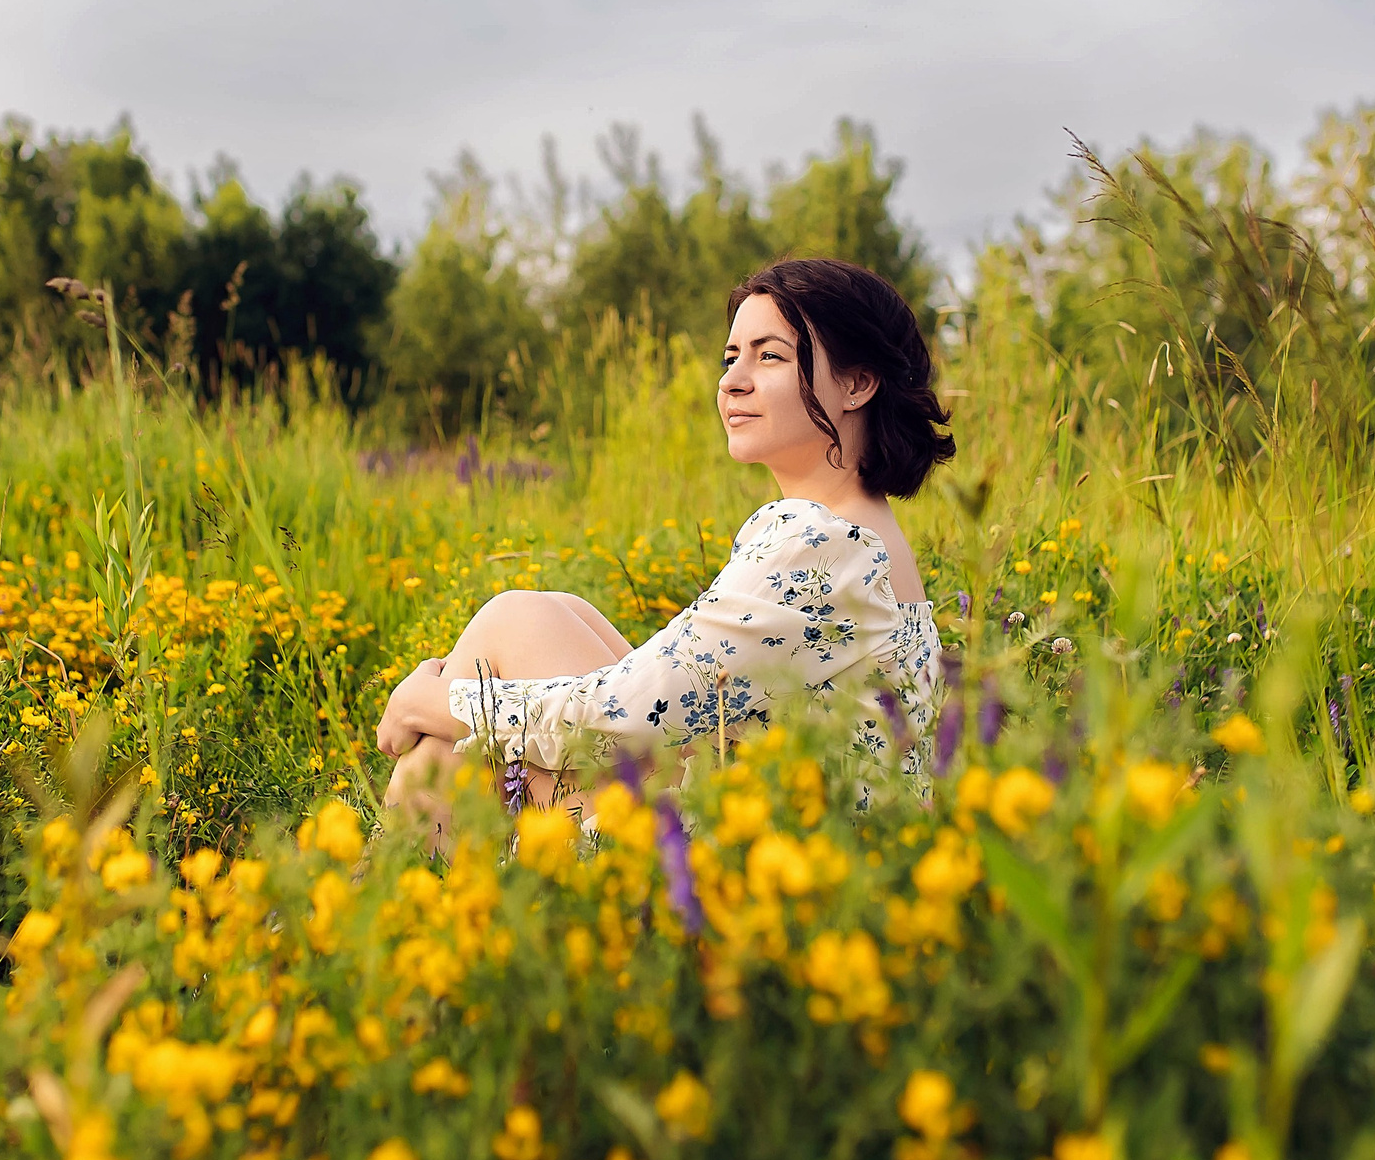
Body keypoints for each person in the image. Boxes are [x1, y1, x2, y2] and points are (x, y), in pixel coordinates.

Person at [375, 257, 954, 844]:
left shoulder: (824, 543)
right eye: (732, 358)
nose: (732, 381)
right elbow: (665, 705)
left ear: (857, 383)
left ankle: (385, 897)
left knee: (477, 684)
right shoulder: (861, 532)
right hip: (795, 841)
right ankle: (400, 888)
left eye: (770, 355)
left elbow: (627, 715)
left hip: (768, 879)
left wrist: (441, 701)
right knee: (548, 613)